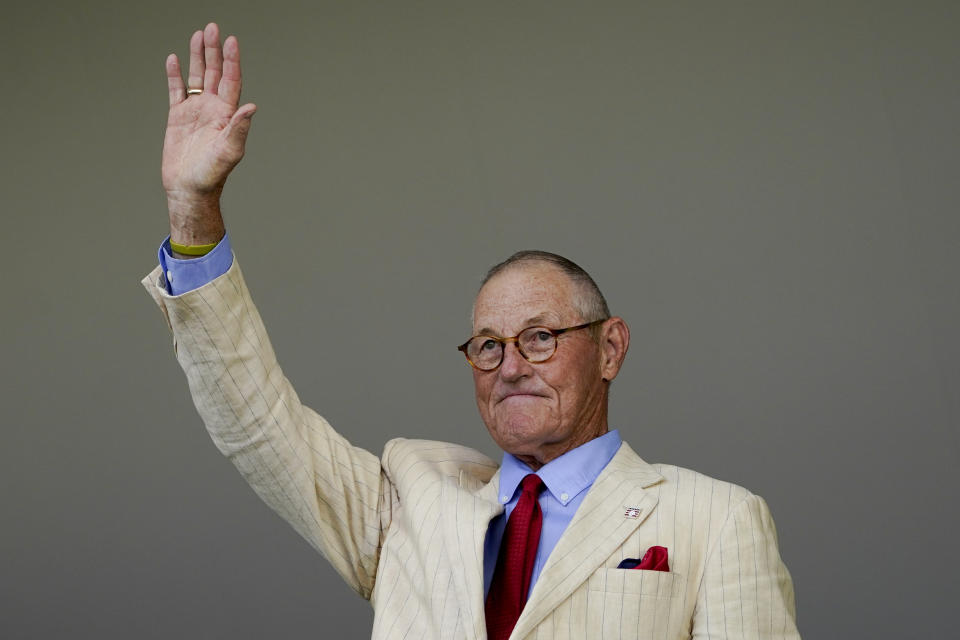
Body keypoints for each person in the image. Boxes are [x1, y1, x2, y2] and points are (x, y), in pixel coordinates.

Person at [145, 23, 801, 640]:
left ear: (610, 348)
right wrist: (194, 207)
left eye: (540, 337)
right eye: (489, 345)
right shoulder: (410, 502)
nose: (511, 366)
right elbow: (255, 421)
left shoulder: (713, 519)